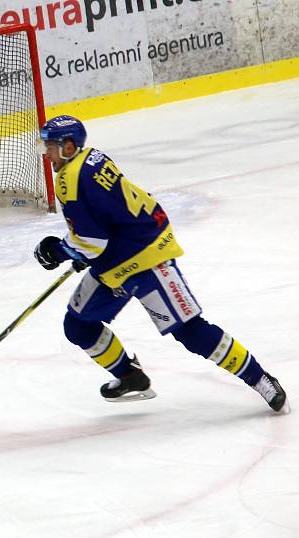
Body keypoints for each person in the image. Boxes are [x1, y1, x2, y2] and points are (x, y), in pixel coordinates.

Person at [33, 115, 289, 413]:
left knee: (190, 331)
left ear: (67, 146)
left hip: (146, 252)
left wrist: (62, 250)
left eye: (50, 146)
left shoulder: (69, 179)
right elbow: (103, 219)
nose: (46, 153)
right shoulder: (91, 158)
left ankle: (260, 379)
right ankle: (130, 376)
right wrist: (81, 249)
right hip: (116, 257)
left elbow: (92, 240)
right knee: (77, 324)